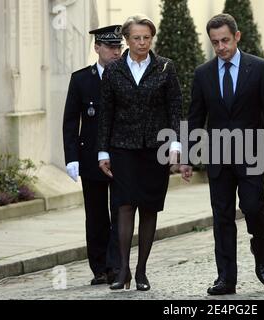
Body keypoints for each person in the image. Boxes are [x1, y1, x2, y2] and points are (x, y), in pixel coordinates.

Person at [180, 14, 264, 295]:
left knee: (253, 208)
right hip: (217, 156)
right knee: (222, 216)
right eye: (215, 43)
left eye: (225, 40)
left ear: (236, 37)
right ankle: (226, 278)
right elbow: (195, 117)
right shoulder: (203, 73)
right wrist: (187, 156)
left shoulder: (258, 67)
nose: (221, 47)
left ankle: (260, 247)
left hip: (250, 152)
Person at [97, 15, 182, 291]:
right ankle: (123, 270)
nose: (142, 42)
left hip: (155, 149)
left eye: (147, 37)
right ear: (127, 40)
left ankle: (142, 270)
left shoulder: (166, 67)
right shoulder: (113, 70)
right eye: (136, 38)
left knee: (149, 206)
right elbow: (105, 114)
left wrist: (177, 144)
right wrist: (102, 151)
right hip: (122, 148)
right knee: (123, 205)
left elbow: (175, 108)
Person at [62, 25, 123, 286]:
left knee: (121, 212)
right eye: (110, 47)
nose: (116, 52)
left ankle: (115, 265)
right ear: (97, 48)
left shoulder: (127, 76)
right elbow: (70, 121)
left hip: (121, 156)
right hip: (90, 157)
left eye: (119, 47)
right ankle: (99, 267)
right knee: (96, 215)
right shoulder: (81, 79)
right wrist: (71, 157)